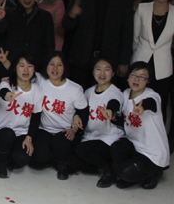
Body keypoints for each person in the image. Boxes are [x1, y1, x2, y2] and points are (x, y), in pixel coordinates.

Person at [63, 0, 134, 89]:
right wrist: (72, 15)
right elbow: (66, 26)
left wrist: (124, 61)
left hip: (110, 59)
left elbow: (127, 31)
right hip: (82, 59)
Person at [111, 62, 169, 189]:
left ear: (148, 81)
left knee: (124, 174)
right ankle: (134, 174)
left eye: (142, 77)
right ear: (128, 77)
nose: (136, 79)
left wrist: (141, 107)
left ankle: (155, 172)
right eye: (134, 75)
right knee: (116, 147)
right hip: (136, 145)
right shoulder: (125, 93)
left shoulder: (152, 96)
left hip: (152, 153)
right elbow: (126, 121)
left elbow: (150, 103)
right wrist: (113, 117)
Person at [32, 52, 88, 180]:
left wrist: (74, 129)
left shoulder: (74, 89)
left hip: (65, 131)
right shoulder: (40, 80)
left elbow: (84, 112)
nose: (55, 68)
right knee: (40, 158)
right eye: (51, 64)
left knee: (60, 143)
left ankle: (63, 163)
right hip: (45, 129)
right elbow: (23, 71)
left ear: (65, 67)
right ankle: (55, 156)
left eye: (59, 65)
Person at [75, 58, 125, 188]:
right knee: (74, 162)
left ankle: (108, 170)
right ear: (93, 72)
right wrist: (76, 116)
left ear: (113, 73)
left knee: (81, 150)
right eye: (98, 69)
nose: (102, 73)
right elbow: (80, 109)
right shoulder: (88, 92)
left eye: (107, 70)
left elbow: (114, 103)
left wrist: (110, 111)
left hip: (109, 138)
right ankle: (96, 163)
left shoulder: (116, 92)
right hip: (90, 136)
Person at [0, 53, 42, 179]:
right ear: (15, 68)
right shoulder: (7, 83)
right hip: (2, 132)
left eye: (29, 66)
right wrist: (8, 96)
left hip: (21, 132)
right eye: (22, 65)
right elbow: (3, 91)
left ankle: (8, 157)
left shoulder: (37, 90)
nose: (26, 70)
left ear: (34, 69)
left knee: (22, 159)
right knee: (7, 135)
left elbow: (36, 117)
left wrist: (29, 138)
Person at [0, 0, 55, 77]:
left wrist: (45, 70)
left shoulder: (45, 17)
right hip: (9, 66)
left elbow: (49, 46)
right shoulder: (8, 13)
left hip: (36, 69)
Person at [131, 0, 174, 116]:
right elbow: (135, 38)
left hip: (163, 67)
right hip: (141, 61)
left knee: (160, 105)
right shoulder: (143, 8)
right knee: (137, 102)